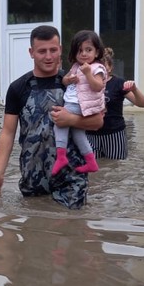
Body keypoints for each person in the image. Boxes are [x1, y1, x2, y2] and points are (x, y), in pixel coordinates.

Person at [0, 25, 103, 210]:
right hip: (33, 173)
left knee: (72, 227)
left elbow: (98, 122)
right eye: (42, 51)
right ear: (31, 52)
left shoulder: (76, 82)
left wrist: (72, 120)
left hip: (71, 175)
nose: (48, 57)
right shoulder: (18, 87)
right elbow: (8, 133)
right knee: (34, 230)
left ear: (61, 50)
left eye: (53, 50)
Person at [52, 30, 106, 176]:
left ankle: (61, 157)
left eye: (88, 50)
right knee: (78, 133)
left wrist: (88, 74)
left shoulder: (97, 68)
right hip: (75, 103)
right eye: (80, 50)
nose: (83, 54)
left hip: (80, 105)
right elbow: (64, 80)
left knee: (59, 123)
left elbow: (98, 87)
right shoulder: (76, 66)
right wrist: (68, 80)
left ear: (97, 52)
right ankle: (91, 162)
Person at [85, 48, 144, 160]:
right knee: (94, 171)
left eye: (104, 65)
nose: (100, 68)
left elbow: (142, 104)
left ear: (110, 67)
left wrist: (134, 89)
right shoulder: (87, 83)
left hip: (114, 134)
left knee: (115, 167)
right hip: (91, 134)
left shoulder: (118, 83)